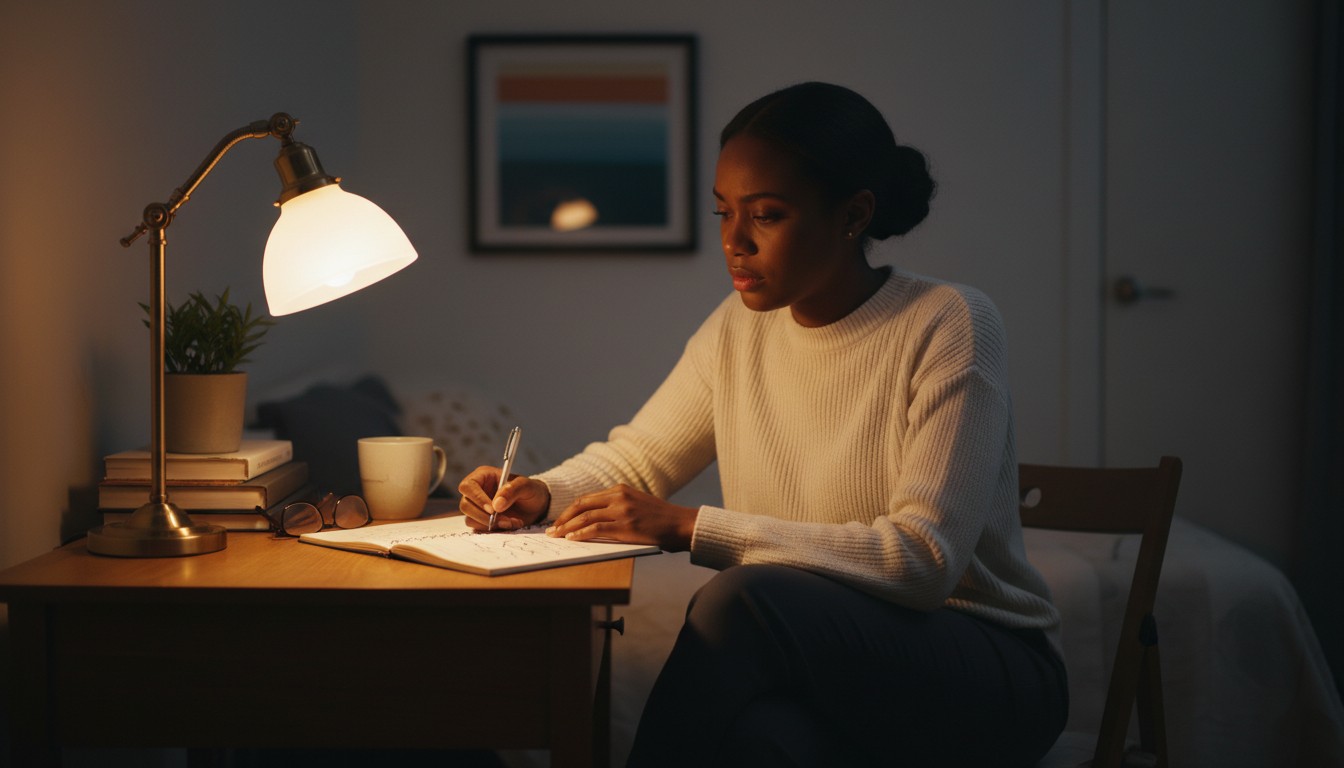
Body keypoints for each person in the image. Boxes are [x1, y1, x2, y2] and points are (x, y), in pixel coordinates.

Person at [458, 81, 1068, 767]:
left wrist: (689, 527)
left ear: (852, 214)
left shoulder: (949, 321)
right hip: (829, 663)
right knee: (757, 742)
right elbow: (638, 460)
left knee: (745, 599)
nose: (734, 242)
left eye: (767, 215)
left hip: (983, 670)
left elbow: (922, 563)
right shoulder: (737, 331)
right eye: (723, 212)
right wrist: (541, 493)